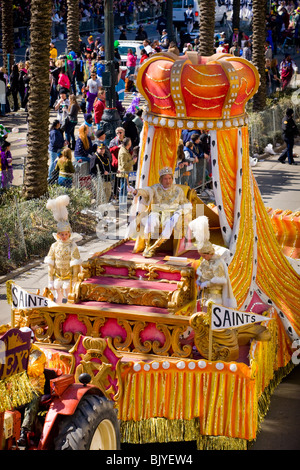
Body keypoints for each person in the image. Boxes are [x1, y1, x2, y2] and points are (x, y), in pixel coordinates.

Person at [129, 167, 192, 258]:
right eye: (165, 179)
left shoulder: (178, 190)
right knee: (150, 221)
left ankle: (153, 248)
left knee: (171, 223)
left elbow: (185, 204)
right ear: (161, 180)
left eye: (170, 178)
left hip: (171, 215)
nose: (168, 181)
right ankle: (147, 246)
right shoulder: (155, 188)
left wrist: (180, 212)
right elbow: (146, 191)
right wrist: (136, 191)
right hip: (157, 213)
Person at [189, 216, 237, 308]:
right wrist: (199, 281)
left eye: (204, 255)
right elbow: (202, 272)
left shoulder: (218, 262)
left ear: (209, 253)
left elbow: (220, 280)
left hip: (215, 296)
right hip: (206, 294)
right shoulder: (205, 261)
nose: (203, 258)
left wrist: (206, 284)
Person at [44, 195, 82, 302]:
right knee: (57, 295)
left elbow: (76, 265)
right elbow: (50, 265)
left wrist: (75, 280)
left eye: (66, 234)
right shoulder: (54, 246)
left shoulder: (72, 246)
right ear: (58, 235)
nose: (64, 236)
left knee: (68, 295)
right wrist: (50, 280)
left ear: (69, 234)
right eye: (62, 234)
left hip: (69, 279)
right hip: (57, 277)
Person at [17, 327, 46, 449]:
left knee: (32, 403)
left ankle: (24, 433)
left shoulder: (37, 354)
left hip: (34, 388)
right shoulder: (14, 351)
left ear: (32, 340)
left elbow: (35, 370)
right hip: (17, 387)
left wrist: (19, 364)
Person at [117, 137, 137, 204]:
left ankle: (123, 202)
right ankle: (122, 203)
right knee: (123, 189)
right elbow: (124, 165)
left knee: (125, 188)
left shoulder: (125, 150)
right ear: (128, 144)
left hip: (126, 173)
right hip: (123, 173)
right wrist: (133, 161)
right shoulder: (123, 152)